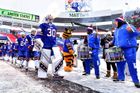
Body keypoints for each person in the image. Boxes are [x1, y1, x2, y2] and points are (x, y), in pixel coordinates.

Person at [112, 16, 140, 88]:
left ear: (120, 21)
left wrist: (132, 31)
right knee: (119, 63)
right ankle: (121, 77)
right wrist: (111, 43)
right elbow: (115, 40)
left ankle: (136, 81)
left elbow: (137, 33)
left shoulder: (128, 26)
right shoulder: (116, 30)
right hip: (119, 49)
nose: (115, 23)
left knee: (131, 64)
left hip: (129, 48)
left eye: (116, 22)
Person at [37, 14, 63, 79]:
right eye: (49, 18)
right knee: (44, 60)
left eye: (51, 19)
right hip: (46, 44)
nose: (50, 20)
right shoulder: (42, 25)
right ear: (46, 19)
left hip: (54, 45)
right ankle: (42, 74)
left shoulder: (54, 26)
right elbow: (38, 35)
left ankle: (56, 72)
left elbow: (54, 36)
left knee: (58, 59)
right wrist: (39, 43)